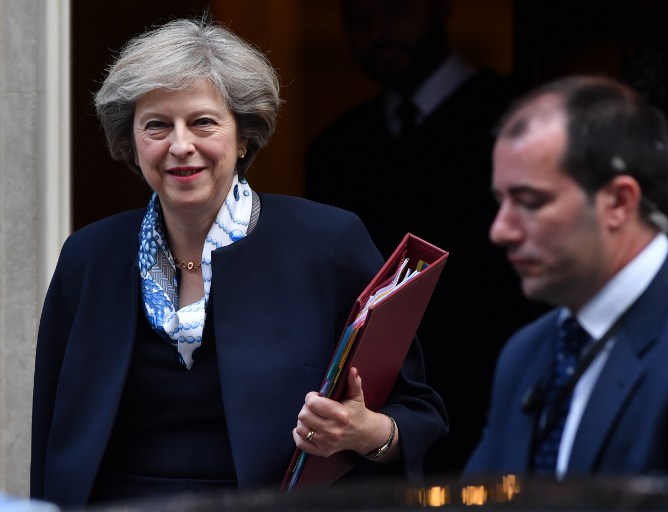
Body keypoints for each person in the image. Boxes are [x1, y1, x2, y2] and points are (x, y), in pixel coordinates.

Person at [31, 17, 447, 508]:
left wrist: (365, 432)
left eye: (203, 122)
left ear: (244, 134)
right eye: (157, 125)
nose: (180, 145)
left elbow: (418, 415)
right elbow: (50, 432)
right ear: (132, 142)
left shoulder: (327, 243)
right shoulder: (89, 256)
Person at [464, 75, 668, 479]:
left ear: (619, 203)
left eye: (530, 202)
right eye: (501, 202)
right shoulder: (525, 353)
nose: (500, 230)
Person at [305, 0, 543, 475]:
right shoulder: (338, 149)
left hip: (502, 383)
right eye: (358, 20)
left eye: (394, 10)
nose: (377, 32)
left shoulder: (517, 120)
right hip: (375, 417)